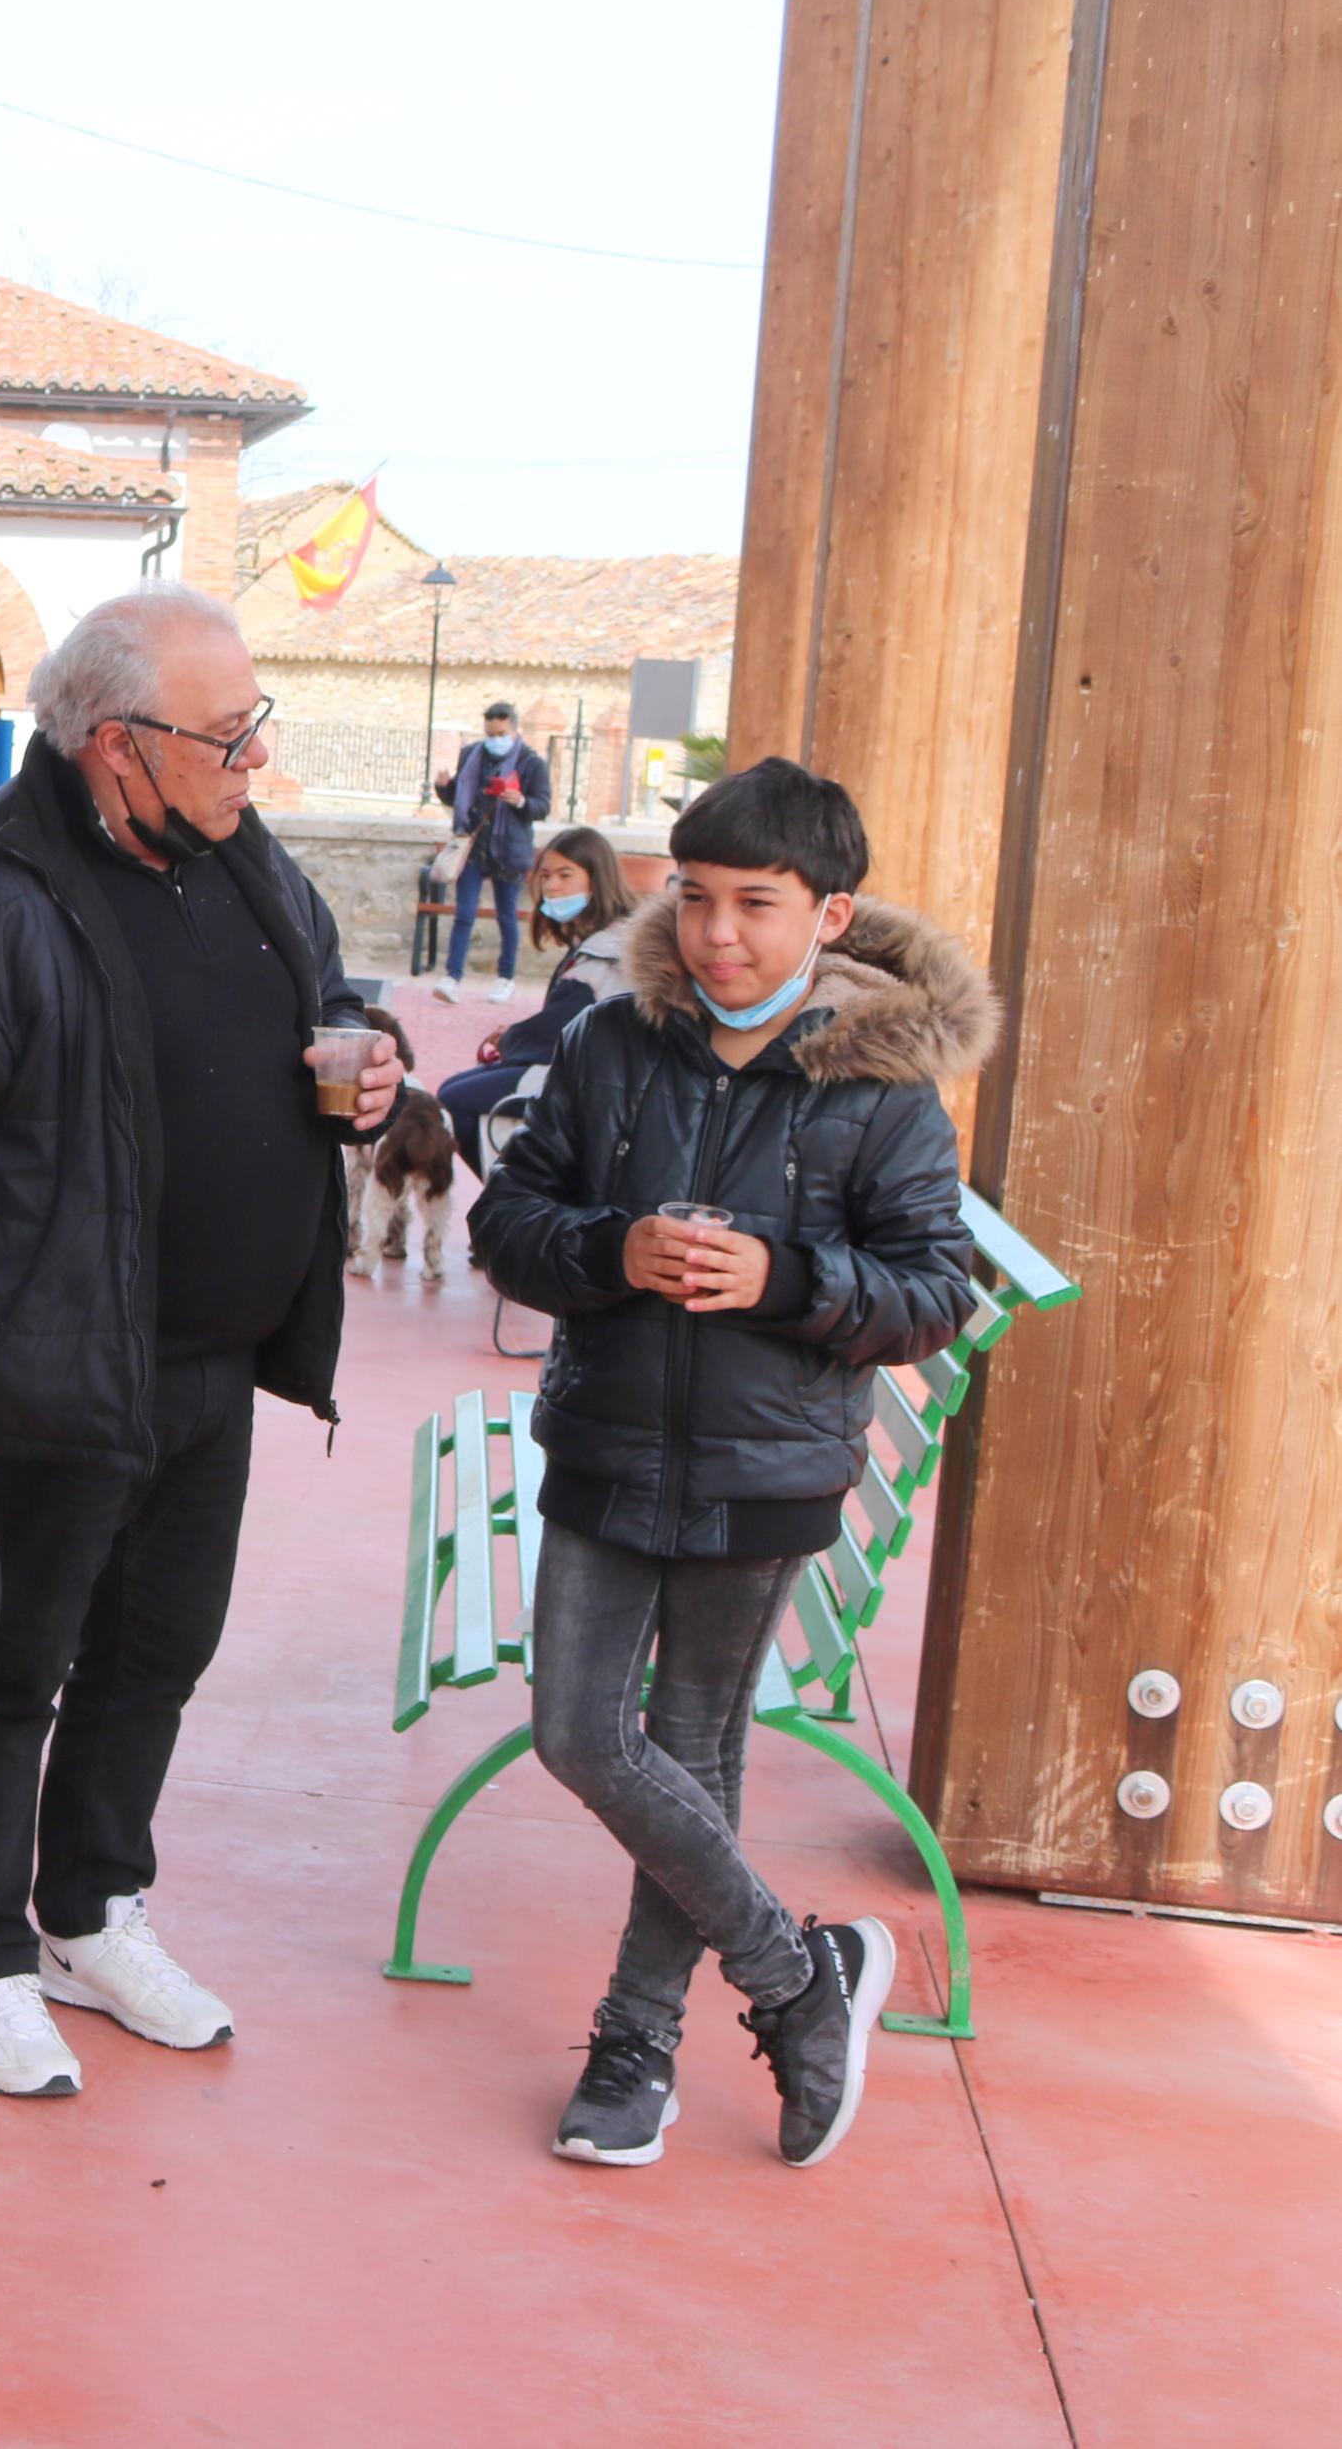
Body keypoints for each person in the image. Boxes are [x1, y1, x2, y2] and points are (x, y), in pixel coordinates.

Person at [0, 586, 397, 2104]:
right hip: (47, 1371)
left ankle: (85, 1910)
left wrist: (368, 1055)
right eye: (227, 734)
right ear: (114, 745)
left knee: (157, 1655)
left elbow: (319, 990)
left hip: (214, 1357)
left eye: (253, 725)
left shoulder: (238, 855)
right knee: (4, 1679)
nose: (252, 760)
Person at [471, 758, 987, 2169]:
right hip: (601, 1439)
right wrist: (604, 1247)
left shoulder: (882, 1087)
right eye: (693, 898)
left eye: (752, 905)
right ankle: (792, 1972)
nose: (714, 935)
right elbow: (510, 1219)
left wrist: (774, 1275)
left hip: (763, 1470)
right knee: (579, 1729)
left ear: (827, 914)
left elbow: (928, 1292)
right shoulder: (608, 1041)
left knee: (690, 1748)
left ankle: (634, 2039)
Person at [437, 825, 636, 1174]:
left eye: (565, 875)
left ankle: (507, 1191)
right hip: (569, 1067)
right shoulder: (594, 941)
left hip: (591, 1083)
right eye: (545, 876)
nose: (551, 886)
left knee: (455, 1102)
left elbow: (563, 1031)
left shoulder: (610, 950)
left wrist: (510, 1038)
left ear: (597, 879)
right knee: (452, 1089)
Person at [430, 701, 553, 1000]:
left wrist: (521, 801)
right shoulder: (472, 755)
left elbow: (543, 806)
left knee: (507, 917)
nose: (494, 739)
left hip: (509, 850)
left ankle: (505, 978)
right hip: (474, 848)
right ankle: (452, 977)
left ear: (513, 728)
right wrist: (444, 787)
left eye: (500, 733)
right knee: (464, 914)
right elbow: (459, 795)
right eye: (490, 733)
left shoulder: (531, 763)